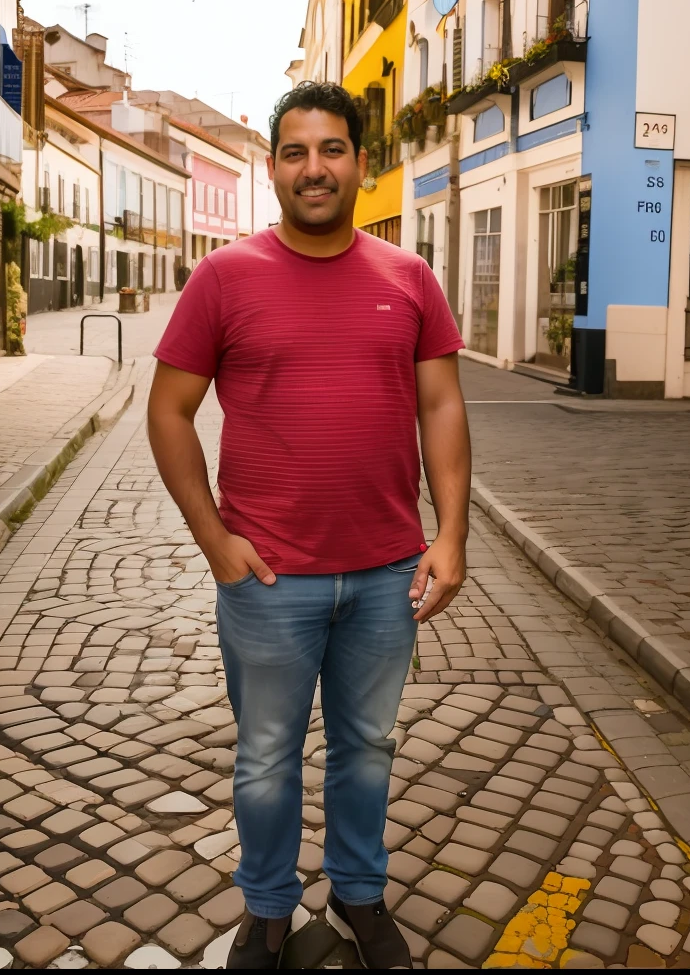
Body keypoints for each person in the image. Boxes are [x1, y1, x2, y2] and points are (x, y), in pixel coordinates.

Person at [147, 82, 471, 970]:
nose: (315, 168)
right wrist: (214, 539)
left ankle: (361, 897)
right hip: (268, 579)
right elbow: (170, 411)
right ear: (273, 168)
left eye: (332, 150)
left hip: (385, 574)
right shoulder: (224, 277)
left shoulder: (410, 280)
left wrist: (451, 535)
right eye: (296, 152)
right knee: (265, 757)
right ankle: (267, 909)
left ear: (361, 164)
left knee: (368, 747)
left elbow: (441, 404)